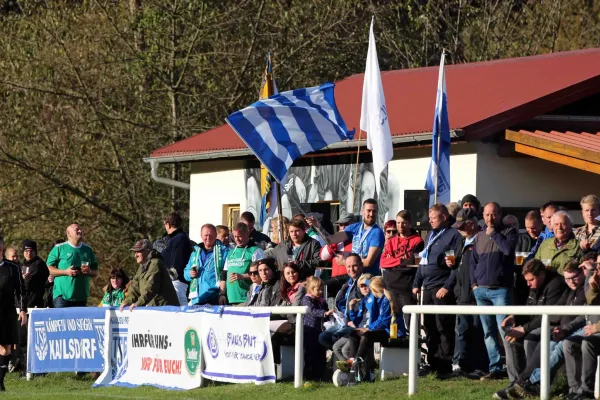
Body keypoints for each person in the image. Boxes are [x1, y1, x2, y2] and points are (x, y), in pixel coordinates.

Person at [507, 261, 586, 399]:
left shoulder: (581, 290)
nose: (570, 281)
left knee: (549, 342)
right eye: (567, 278)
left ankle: (529, 381)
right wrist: (516, 318)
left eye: (574, 277)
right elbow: (554, 312)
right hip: (559, 328)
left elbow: (581, 318)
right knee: (541, 341)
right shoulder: (568, 291)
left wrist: (563, 329)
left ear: (583, 273)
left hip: (571, 329)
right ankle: (520, 382)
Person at [493, 259, 566, 399]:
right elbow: (530, 308)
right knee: (509, 339)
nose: (528, 284)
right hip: (536, 323)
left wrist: (523, 329)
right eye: (527, 280)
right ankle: (515, 383)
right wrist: (515, 318)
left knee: (530, 337)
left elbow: (549, 316)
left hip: (553, 325)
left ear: (542, 274)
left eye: (531, 280)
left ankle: (532, 384)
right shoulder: (534, 286)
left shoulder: (557, 284)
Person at [412, 203, 463, 376]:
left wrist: (447, 286)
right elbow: (423, 261)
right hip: (427, 286)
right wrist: (416, 283)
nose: (430, 221)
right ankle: (433, 362)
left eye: (434, 218)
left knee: (444, 327)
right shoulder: (430, 235)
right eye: (430, 218)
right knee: (429, 326)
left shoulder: (453, 235)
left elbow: (457, 265)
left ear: (444, 217)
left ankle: (445, 365)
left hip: (441, 287)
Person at [470, 202, 518, 381]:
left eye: (494, 214)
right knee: (488, 332)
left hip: (501, 290)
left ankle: (514, 370)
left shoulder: (509, 232)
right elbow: (473, 262)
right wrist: (474, 285)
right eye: (487, 215)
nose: (490, 218)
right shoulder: (479, 236)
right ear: (483, 215)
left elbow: (507, 250)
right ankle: (496, 368)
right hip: (481, 290)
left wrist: (495, 235)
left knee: (505, 330)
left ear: (499, 214)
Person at [339, 276, 406, 382]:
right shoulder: (379, 299)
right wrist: (352, 310)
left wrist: (368, 328)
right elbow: (367, 319)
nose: (367, 289)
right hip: (383, 330)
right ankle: (356, 363)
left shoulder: (386, 299)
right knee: (353, 334)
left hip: (393, 332)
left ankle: (357, 363)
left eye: (368, 287)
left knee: (366, 336)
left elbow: (383, 321)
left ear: (373, 289)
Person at [446, 208, 488, 377]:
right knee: (461, 330)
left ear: (472, 223)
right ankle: (462, 366)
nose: (459, 229)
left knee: (478, 331)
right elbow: (456, 267)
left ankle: (480, 367)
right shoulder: (461, 241)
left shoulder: (482, 240)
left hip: (476, 294)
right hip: (461, 294)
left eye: (462, 225)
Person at [562, 261, 600, 400]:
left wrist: (596, 327)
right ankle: (574, 389)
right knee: (568, 343)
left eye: (599, 265)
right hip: (591, 327)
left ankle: (586, 391)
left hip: (596, 329)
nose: (597, 267)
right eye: (597, 264)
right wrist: (594, 287)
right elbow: (590, 303)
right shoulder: (597, 279)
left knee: (588, 343)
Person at [380, 210, 424, 328]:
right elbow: (383, 262)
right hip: (390, 286)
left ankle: (413, 345)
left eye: (403, 223)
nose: (400, 226)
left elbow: (412, 264)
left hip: (407, 287)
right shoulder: (391, 241)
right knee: (392, 321)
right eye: (398, 223)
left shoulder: (417, 241)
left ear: (409, 223)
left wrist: (393, 261)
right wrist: (400, 261)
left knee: (410, 323)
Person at [318, 254, 364, 350]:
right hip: (341, 321)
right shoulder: (348, 283)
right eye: (348, 266)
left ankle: (351, 360)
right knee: (323, 337)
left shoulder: (364, 283)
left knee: (336, 337)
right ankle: (341, 359)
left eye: (354, 265)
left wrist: (351, 321)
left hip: (355, 322)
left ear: (361, 265)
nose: (351, 269)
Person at [47, 224, 99, 307]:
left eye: (81, 229)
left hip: (81, 297)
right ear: (68, 233)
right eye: (77, 229)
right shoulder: (59, 248)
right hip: (62, 297)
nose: (80, 231)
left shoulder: (88, 250)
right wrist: (66, 272)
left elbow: (96, 272)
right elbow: (48, 269)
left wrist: (89, 271)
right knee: (62, 320)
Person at [120, 239, 180, 310]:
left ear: (148, 251)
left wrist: (139, 303)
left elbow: (151, 287)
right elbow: (135, 287)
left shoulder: (155, 263)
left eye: (139, 251)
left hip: (166, 309)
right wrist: (127, 301)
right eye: (135, 252)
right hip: (155, 308)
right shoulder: (142, 267)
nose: (135, 255)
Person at [0, 237, 27, 392]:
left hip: (7, 311)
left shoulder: (12, 267)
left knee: (6, 348)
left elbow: (21, 290)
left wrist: (22, 310)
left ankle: (0, 381)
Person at [331, 199, 385, 276]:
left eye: (374, 211)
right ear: (362, 211)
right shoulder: (356, 227)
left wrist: (345, 262)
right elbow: (331, 239)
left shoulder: (377, 232)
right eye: (368, 210)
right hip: (354, 276)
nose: (371, 214)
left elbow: (368, 262)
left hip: (368, 279)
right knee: (333, 285)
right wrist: (318, 227)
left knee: (366, 286)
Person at [332, 273, 373, 367]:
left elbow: (375, 318)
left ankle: (356, 368)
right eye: (361, 286)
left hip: (369, 330)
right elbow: (357, 320)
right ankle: (350, 369)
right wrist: (351, 307)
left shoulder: (374, 299)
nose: (364, 288)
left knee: (345, 350)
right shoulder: (362, 300)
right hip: (358, 329)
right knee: (336, 346)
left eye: (366, 285)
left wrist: (365, 327)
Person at [270, 262, 306, 364]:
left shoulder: (302, 287)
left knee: (275, 337)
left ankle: (275, 366)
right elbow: (283, 309)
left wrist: (283, 310)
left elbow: (294, 309)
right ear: (284, 276)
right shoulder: (288, 289)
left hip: (300, 325)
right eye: (288, 273)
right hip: (290, 322)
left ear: (298, 273)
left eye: (293, 272)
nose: (291, 275)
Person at [219, 222, 264, 305]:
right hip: (230, 298)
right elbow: (224, 274)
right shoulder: (231, 253)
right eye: (235, 236)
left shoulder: (255, 251)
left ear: (247, 234)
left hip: (246, 298)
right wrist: (222, 294)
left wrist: (242, 276)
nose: (237, 239)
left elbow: (261, 273)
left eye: (239, 236)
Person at [184, 224, 229, 306]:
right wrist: (190, 274)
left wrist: (222, 294)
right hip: (197, 298)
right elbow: (185, 273)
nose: (208, 238)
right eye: (206, 235)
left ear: (216, 235)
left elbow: (225, 273)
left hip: (214, 297)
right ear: (201, 236)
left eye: (211, 235)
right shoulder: (195, 252)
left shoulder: (224, 251)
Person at [301, 276, 332, 380]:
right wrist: (325, 313)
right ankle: (309, 375)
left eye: (321, 289)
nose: (320, 291)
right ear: (311, 289)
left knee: (321, 353)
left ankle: (320, 374)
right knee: (310, 353)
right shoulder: (306, 299)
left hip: (320, 330)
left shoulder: (322, 301)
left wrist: (330, 316)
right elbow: (312, 311)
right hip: (310, 330)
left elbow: (326, 312)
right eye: (318, 289)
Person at [161, 212, 193, 284]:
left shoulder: (179, 239)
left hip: (177, 282)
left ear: (168, 225)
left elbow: (176, 264)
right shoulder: (179, 238)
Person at [20, 240, 49, 310]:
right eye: (26, 251)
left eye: (31, 251)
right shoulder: (22, 264)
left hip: (35, 302)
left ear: (35, 252)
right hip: (23, 302)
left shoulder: (39, 264)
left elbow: (28, 283)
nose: (29, 254)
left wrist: (20, 280)